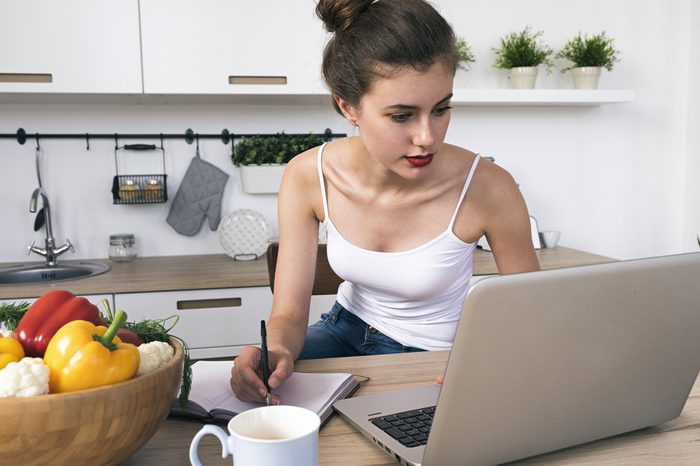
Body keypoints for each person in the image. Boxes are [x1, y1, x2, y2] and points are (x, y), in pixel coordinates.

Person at [230, 0, 540, 403]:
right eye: (401, 116)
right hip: (340, 333)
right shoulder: (309, 176)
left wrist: (489, 363)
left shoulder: (488, 188)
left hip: (433, 358)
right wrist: (279, 352)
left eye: (441, 109)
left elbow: (531, 315)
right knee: (253, 410)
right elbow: (288, 314)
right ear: (348, 106)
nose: (427, 137)